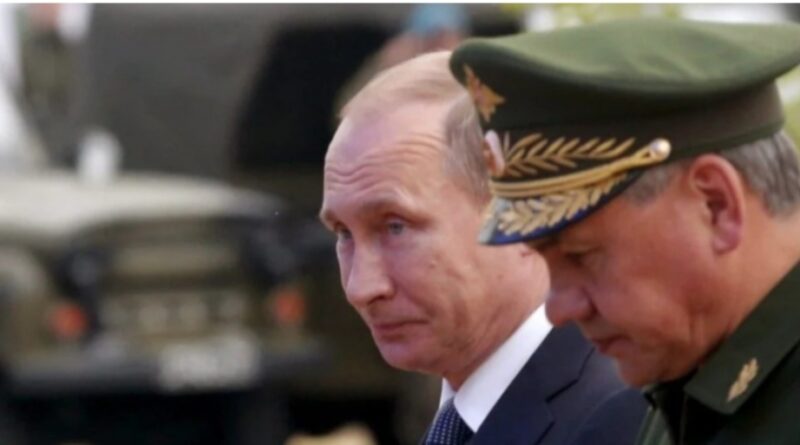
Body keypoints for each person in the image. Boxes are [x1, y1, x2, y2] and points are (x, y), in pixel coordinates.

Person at [448, 17, 800, 444]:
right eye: (545, 259)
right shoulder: (685, 378)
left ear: (716, 205)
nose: (559, 310)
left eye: (581, 256)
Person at [320, 51, 645, 445]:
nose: (361, 287)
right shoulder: (466, 412)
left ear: (521, 217)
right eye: (343, 233)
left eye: (395, 227)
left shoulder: (618, 420)